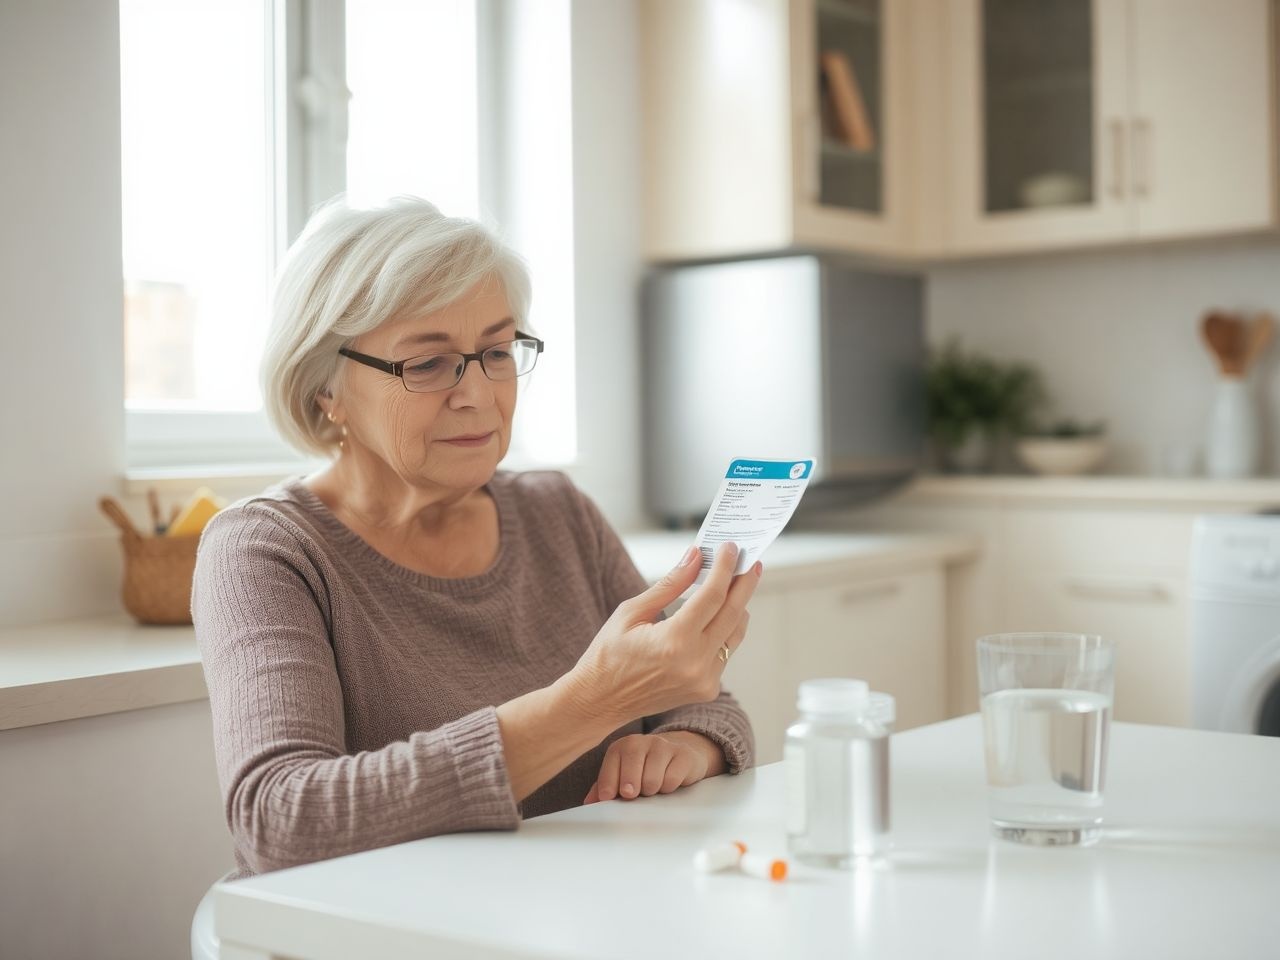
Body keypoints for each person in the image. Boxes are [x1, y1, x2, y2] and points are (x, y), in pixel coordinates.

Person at [193, 197, 760, 878]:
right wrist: (592, 703)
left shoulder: (559, 512)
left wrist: (685, 745)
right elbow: (281, 821)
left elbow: (711, 712)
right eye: (428, 365)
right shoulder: (266, 552)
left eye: (495, 352)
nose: (479, 395)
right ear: (326, 392)